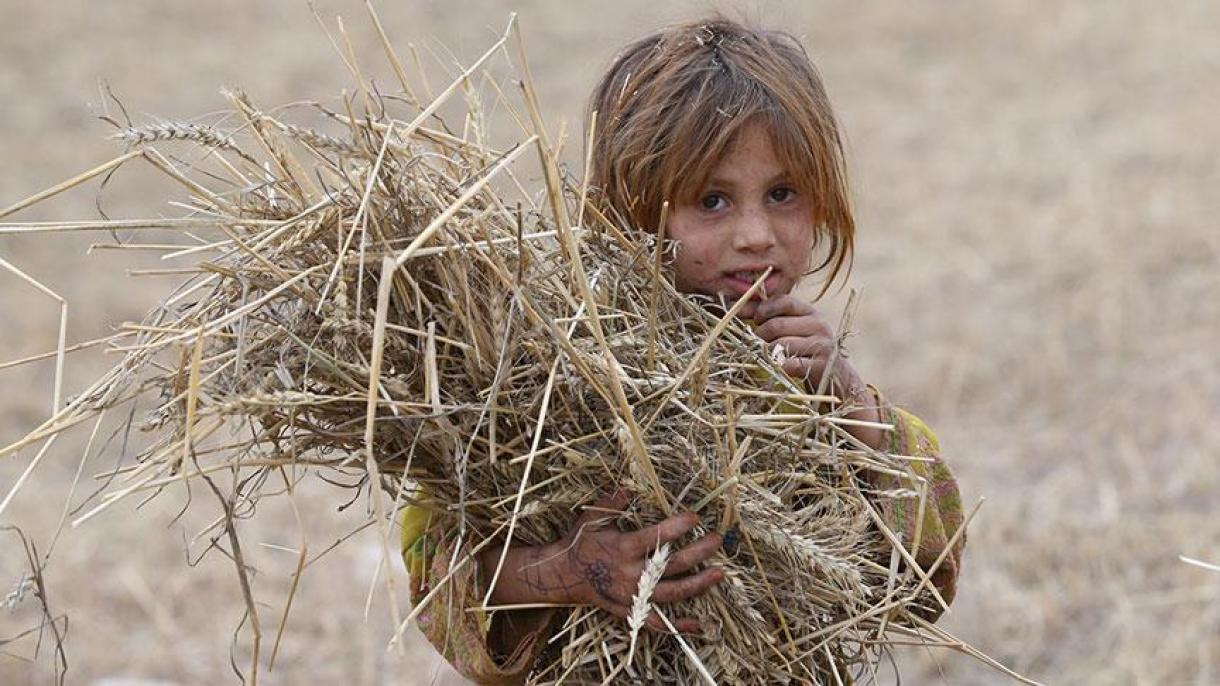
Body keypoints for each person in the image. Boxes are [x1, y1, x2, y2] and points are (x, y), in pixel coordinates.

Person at [400, 17, 965, 684]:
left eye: (782, 194)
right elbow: (432, 567)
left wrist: (853, 407)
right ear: (632, 213)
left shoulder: (812, 385)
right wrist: (568, 571)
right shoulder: (554, 367)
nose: (756, 235)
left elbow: (927, 578)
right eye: (713, 201)